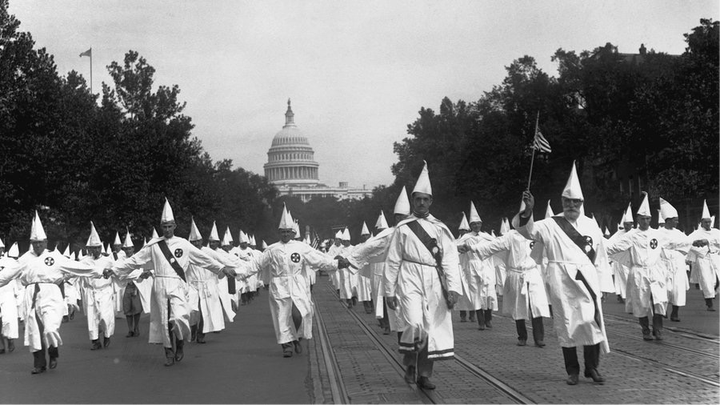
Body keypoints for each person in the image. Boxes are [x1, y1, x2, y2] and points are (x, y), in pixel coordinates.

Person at [104, 199, 237, 366]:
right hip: (159, 285)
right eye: (164, 226)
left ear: (175, 226)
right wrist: (114, 270)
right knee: (164, 320)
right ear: (162, 228)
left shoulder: (183, 244)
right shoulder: (153, 245)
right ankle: (168, 350)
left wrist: (222, 268)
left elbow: (204, 259)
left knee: (180, 317)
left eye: (169, 226)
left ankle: (180, 343)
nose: (167, 229)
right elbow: (134, 261)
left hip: (178, 284)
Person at [514, 162, 610, 386]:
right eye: (567, 201)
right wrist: (528, 210)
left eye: (575, 202)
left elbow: (602, 257)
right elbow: (528, 231)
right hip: (561, 279)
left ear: (581, 203)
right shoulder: (550, 224)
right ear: (562, 202)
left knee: (591, 322)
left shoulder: (591, 225)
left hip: (586, 279)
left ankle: (592, 367)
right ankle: (572, 370)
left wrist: (603, 285)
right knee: (567, 323)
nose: (571, 205)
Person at [385, 161, 462, 390]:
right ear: (413, 200)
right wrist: (389, 290)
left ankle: (425, 374)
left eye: (424, 199)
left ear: (430, 201)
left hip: (433, 280)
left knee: (431, 329)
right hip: (409, 278)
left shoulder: (440, 228)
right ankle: (410, 362)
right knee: (413, 322)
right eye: (417, 199)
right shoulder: (403, 228)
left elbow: (450, 259)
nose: (420, 203)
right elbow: (392, 260)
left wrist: (453, 288)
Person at [0, 211, 105, 374]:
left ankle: (53, 351)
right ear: (31, 243)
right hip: (31, 294)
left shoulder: (55, 257)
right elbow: (6, 275)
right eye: (34, 243)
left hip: (51, 293)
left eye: (40, 243)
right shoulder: (24, 258)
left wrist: (101, 271)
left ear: (45, 242)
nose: (37, 246)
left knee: (50, 328)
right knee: (34, 331)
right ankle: (39, 363)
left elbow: (78, 267)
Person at [252, 205, 346, 357]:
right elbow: (256, 264)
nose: (285, 234)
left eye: (288, 231)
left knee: (297, 314)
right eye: (282, 232)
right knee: (282, 316)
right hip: (279, 286)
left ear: (292, 232)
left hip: (297, 284)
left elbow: (317, 260)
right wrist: (237, 272)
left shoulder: (301, 247)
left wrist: (335, 264)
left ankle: (295, 337)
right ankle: (286, 345)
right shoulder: (272, 249)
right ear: (279, 232)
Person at [461, 225, 550, 347]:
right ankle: (522, 336)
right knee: (519, 306)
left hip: (532, 273)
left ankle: (539, 337)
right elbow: (493, 245)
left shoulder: (537, 234)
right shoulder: (511, 236)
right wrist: (472, 247)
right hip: (516, 273)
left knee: (537, 306)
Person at [607, 193, 669, 341]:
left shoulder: (657, 234)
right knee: (641, 303)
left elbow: (675, 242)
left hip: (655, 271)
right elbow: (614, 248)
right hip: (639, 272)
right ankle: (645, 329)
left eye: (648, 219)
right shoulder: (631, 235)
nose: (645, 221)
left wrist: (695, 242)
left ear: (651, 219)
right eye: (642, 219)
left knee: (659, 301)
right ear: (638, 220)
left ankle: (658, 329)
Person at [455, 202, 496, 330]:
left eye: (478, 224)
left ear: (481, 224)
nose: (476, 226)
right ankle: (481, 321)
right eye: (474, 224)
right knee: (476, 294)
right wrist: (460, 249)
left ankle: (488, 318)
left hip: (487, 267)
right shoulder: (466, 237)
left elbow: (498, 245)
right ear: (471, 226)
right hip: (472, 267)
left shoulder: (487, 237)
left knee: (488, 293)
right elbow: (455, 248)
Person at [80, 222, 117, 350]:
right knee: (92, 317)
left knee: (104, 316)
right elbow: (73, 271)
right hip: (91, 291)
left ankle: (107, 335)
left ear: (101, 248)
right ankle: (95, 341)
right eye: (93, 248)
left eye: (98, 247)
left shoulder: (108, 261)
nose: (95, 250)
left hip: (104, 291)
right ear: (89, 249)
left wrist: (139, 274)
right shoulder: (84, 261)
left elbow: (119, 271)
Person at [656, 198, 691, 322]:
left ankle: (675, 313)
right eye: (675, 220)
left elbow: (687, 244)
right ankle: (663, 310)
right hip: (663, 264)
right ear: (669, 220)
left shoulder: (679, 233)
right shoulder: (658, 233)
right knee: (663, 288)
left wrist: (679, 251)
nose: (677, 222)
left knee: (678, 289)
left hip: (677, 264)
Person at [687, 200, 720, 311]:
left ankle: (712, 292)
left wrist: (709, 242)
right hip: (703, 258)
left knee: (717, 279)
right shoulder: (696, 234)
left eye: (709, 222)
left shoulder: (716, 232)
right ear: (701, 222)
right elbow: (689, 244)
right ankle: (709, 303)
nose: (708, 224)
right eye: (705, 222)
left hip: (715, 257)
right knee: (706, 280)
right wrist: (702, 251)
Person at [608, 204, 634, 303]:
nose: (627, 226)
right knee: (622, 280)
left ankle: (629, 296)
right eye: (625, 224)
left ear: (632, 224)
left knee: (630, 280)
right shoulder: (618, 234)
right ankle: (623, 296)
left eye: (629, 224)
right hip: (620, 261)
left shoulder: (635, 233)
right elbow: (610, 245)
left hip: (631, 260)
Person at [0, 239, 19, 354]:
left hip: (7, 293)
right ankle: (2, 345)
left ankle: (10, 338)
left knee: (7, 319)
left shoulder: (10, 261)